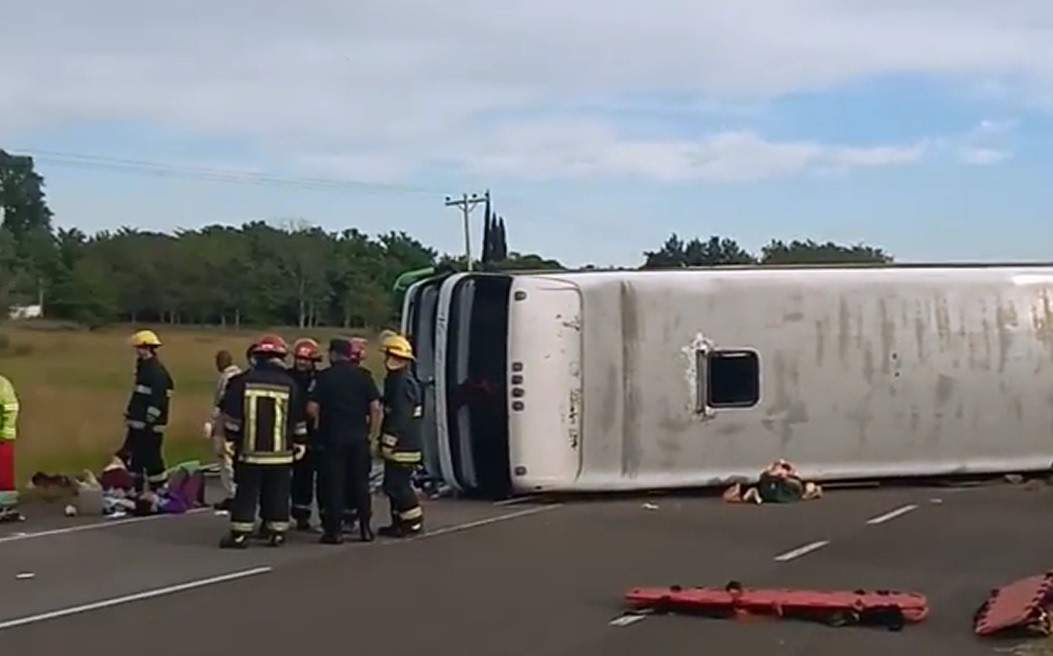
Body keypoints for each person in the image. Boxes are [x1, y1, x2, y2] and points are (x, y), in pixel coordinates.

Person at [218, 334, 308, 549]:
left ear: (257, 356)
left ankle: (240, 534)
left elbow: (232, 418)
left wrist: (230, 440)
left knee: (246, 493)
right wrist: (300, 443)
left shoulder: (242, 382)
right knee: (278, 492)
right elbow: (298, 418)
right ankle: (276, 532)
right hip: (281, 454)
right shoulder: (291, 384)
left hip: (250, 452)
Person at [308, 337, 382, 544]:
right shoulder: (364, 376)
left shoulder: (324, 377)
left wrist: (318, 427)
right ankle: (365, 528)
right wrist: (371, 434)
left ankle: (335, 531)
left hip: (333, 438)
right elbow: (375, 408)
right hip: (359, 438)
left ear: (333, 354)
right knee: (361, 483)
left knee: (334, 484)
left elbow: (312, 408)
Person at [377, 332, 425, 538]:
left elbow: (400, 415)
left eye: (389, 355)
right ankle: (399, 522)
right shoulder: (399, 380)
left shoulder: (401, 383)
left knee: (399, 486)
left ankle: (413, 522)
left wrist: (389, 441)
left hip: (403, 445)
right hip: (404, 443)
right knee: (392, 485)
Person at [121, 330, 174, 493]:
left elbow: (158, 399)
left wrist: (149, 421)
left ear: (147, 348)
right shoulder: (145, 369)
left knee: (152, 459)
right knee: (136, 458)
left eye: (139, 348)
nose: (137, 351)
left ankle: (159, 489)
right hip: (139, 424)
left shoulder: (155, 372)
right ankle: (136, 490)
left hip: (149, 427)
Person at [288, 337, 323, 531]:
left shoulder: (319, 379)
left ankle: (303, 515)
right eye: (299, 359)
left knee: (307, 476)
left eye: (306, 359)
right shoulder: (287, 377)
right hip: (288, 432)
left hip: (313, 434)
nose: (301, 363)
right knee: (286, 477)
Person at [206, 350, 242, 511]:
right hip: (234, 425)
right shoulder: (237, 375)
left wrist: (213, 422)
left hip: (226, 425)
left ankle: (233, 494)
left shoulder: (228, 378)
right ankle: (235, 493)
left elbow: (221, 403)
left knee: (225, 459)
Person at [0, 372, 22, 522]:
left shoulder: (2, 384)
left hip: (3, 435)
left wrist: (3, 431)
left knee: (3, 473)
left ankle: (6, 506)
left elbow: (10, 408)